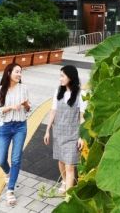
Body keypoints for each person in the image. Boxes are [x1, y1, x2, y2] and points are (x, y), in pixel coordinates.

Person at [43, 65, 86, 194]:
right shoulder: (58, 91)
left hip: (73, 134)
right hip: (58, 132)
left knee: (70, 165)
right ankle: (64, 180)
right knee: (61, 160)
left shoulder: (81, 94)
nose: (60, 79)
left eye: (62, 76)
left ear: (70, 77)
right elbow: (53, 111)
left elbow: (82, 117)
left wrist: (81, 136)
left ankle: (68, 196)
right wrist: (47, 130)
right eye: (60, 76)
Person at [0, 63, 31, 206]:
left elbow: (28, 109)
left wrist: (26, 105)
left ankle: (10, 190)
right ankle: (9, 173)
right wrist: (10, 107)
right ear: (9, 73)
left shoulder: (24, 88)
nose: (19, 74)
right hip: (4, 127)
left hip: (20, 126)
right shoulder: (0, 90)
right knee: (1, 159)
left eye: (20, 72)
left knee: (16, 158)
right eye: (17, 72)